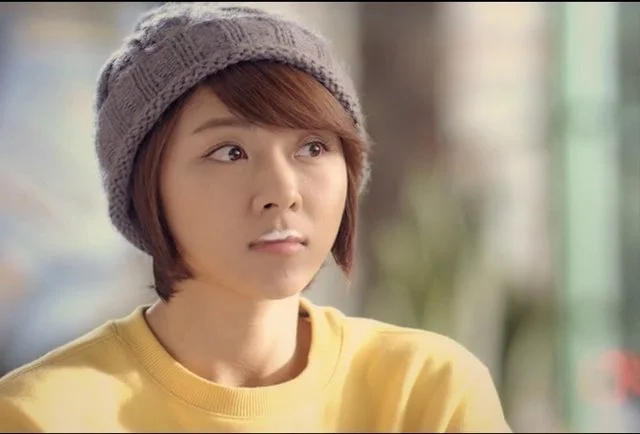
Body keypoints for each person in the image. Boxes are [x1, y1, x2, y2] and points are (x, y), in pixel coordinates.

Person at [0, 3, 512, 432]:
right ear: (146, 186)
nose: (282, 193)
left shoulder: (427, 392)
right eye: (230, 152)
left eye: (313, 147)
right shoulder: (43, 415)